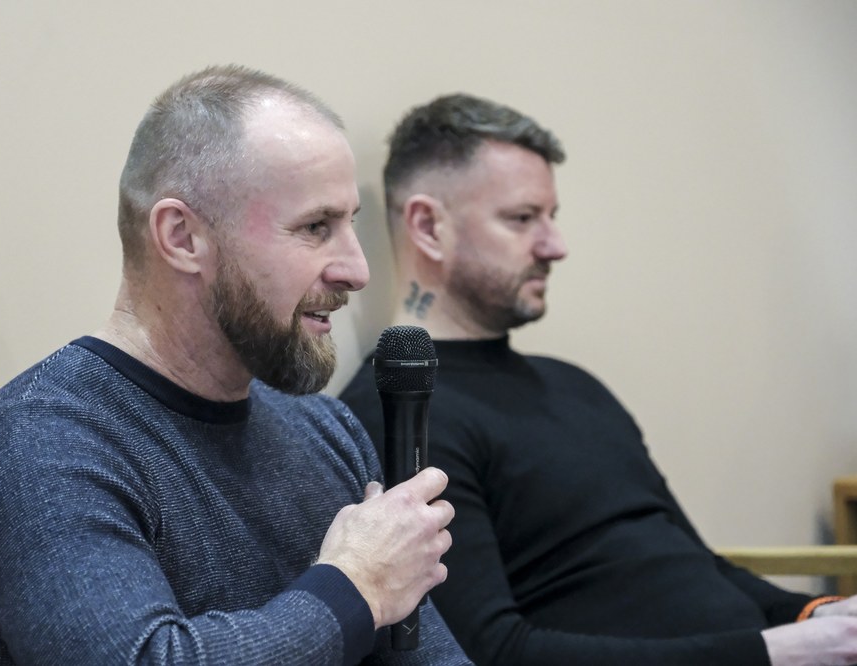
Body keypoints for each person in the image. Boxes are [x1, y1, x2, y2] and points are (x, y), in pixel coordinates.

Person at [0, 65, 471, 665]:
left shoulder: (327, 431)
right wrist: (355, 589)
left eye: (351, 223)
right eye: (315, 227)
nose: (358, 270)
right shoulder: (39, 442)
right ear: (183, 237)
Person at [339, 93, 857, 665]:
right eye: (522, 218)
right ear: (428, 225)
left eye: (552, 217)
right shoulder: (403, 413)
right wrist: (769, 653)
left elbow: (697, 564)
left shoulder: (574, 386)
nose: (555, 246)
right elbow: (490, 652)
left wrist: (819, 617)